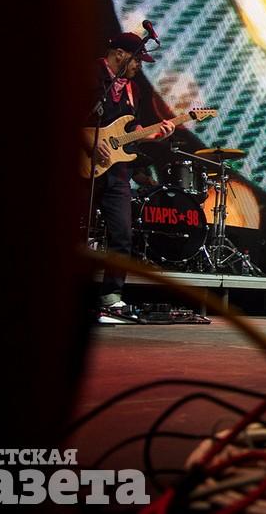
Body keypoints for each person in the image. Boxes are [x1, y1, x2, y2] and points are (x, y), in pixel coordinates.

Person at [90, 32, 175, 320]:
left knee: (122, 234)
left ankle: (111, 297)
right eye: (137, 59)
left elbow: (131, 129)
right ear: (119, 54)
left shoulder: (133, 90)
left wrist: (154, 134)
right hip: (84, 164)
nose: (139, 66)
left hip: (117, 171)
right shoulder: (89, 75)